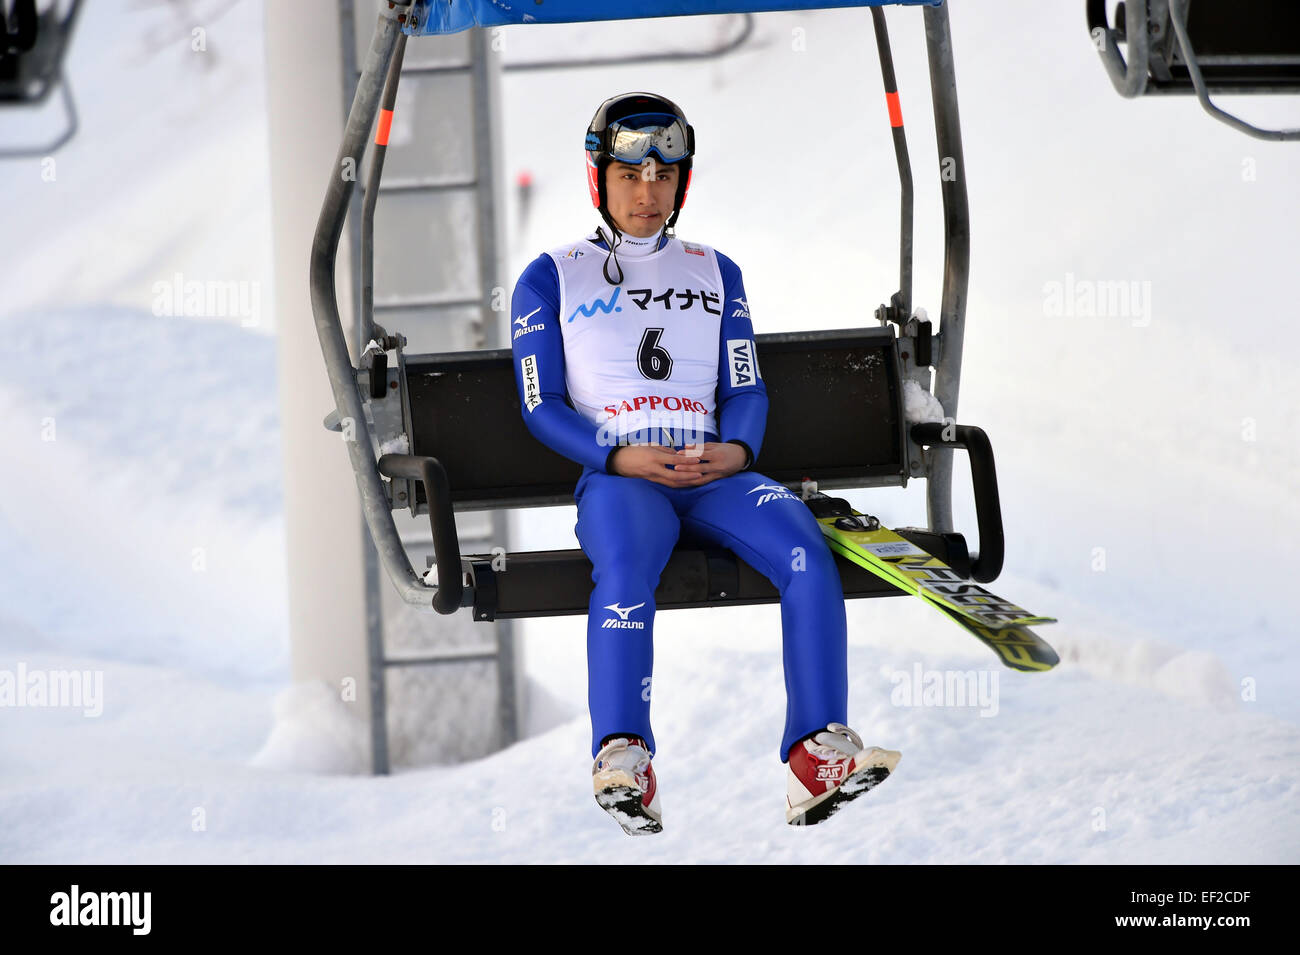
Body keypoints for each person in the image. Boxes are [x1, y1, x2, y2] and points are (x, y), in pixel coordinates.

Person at [509, 92, 900, 835]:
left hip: (716, 474)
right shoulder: (551, 276)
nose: (647, 191)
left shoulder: (718, 270)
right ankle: (623, 756)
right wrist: (616, 453)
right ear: (600, 177)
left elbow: (745, 384)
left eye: (663, 175)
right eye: (629, 175)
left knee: (804, 550)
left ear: (681, 181)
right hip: (623, 479)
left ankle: (818, 755)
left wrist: (740, 449)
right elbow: (541, 404)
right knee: (626, 562)